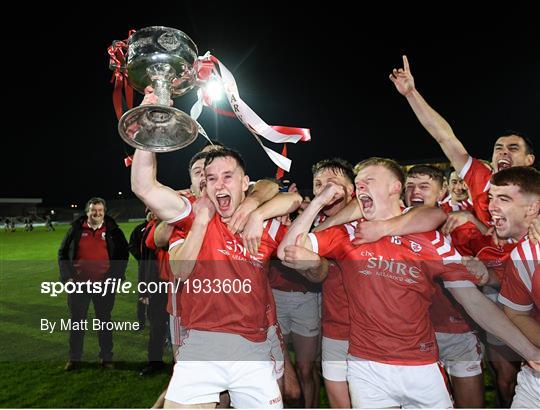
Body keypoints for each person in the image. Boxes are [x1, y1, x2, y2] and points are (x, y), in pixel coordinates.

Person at [279, 157, 540, 408]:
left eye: (369, 179)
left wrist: (529, 351)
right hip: (366, 366)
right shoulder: (349, 234)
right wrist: (318, 202)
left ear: (395, 188)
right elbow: (285, 251)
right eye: (358, 182)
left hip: (421, 365)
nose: (360, 185)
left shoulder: (429, 239)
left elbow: (474, 301)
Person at [389, 55, 536, 228]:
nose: (503, 152)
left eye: (513, 148)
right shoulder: (481, 178)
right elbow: (444, 137)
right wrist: (411, 94)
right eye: (498, 148)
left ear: (529, 160)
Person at [58, 197, 129, 371]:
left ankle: (106, 357)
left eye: (100, 211)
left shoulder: (113, 231)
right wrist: (67, 277)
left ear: (104, 212)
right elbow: (62, 253)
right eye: (93, 210)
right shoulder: (75, 230)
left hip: (104, 285)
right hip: (78, 285)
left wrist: (116, 278)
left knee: (104, 321)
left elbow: (123, 255)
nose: (96, 213)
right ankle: (74, 358)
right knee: (77, 322)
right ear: (87, 212)